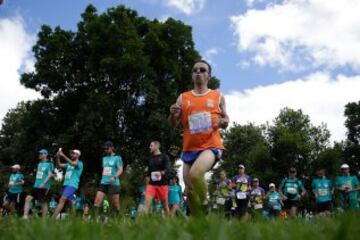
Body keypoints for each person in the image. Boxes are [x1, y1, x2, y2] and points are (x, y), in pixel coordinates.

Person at [168, 59, 229, 215]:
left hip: (211, 145)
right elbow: (173, 124)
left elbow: (226, 120)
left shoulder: (218, 96)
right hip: (189, 148)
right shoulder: (183, 98)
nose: (198, 73)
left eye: (202, 70)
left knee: (195, 175)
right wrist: (173, 115)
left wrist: (222, 122)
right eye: (195, 70)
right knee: (189, 191)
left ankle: (206, 203)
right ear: (192, 75)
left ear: (209, 76)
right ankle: (198, 222)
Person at [93, 141, 123, 216]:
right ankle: (94, 220)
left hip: (114, 183)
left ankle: (118, 219)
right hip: (103, 183)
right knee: (97, 200)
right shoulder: (104, 158)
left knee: (115, 205)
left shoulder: (117, 157)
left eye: (107, 148)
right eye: (105, 149)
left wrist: (114, 177)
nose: (106, 150)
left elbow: (120, 169)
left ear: (112, 148)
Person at [52, 149, 84, 217]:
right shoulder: (68, 164)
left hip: (72, 185)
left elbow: (73, 164)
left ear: (78, 155)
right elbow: (59, 165)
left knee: (62, 199)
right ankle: (75, 220)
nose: (72, 155)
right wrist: (58, 156)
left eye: (74, 153)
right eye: (71, 153)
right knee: (70, 203)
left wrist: (63, 155)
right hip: (65, 185)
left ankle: (52, 218)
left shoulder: (79, 163)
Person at [23, 149, 54, 218]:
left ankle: (44, 219)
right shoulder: (39, 164)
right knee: (28, 199)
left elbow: (50, 174)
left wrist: (43, 183)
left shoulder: (49, 164)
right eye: (39, 154)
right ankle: (25, 217)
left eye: (41, 154)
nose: (39, 155)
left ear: (46, 155)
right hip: (36, 185)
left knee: (43, 203)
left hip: (43, 186)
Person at [143, 141, 170, 214]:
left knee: (165, 206)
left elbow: (167, 168)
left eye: (151, 145)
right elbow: (149, 173)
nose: (149, 147)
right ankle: (142, 223)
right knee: (146, 204)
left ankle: (170, 221)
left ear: (157, 146)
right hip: (151, 185)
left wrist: (161, 173)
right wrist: (146, 186)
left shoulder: (164, 157)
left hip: (162, 185)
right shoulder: (150, 159)